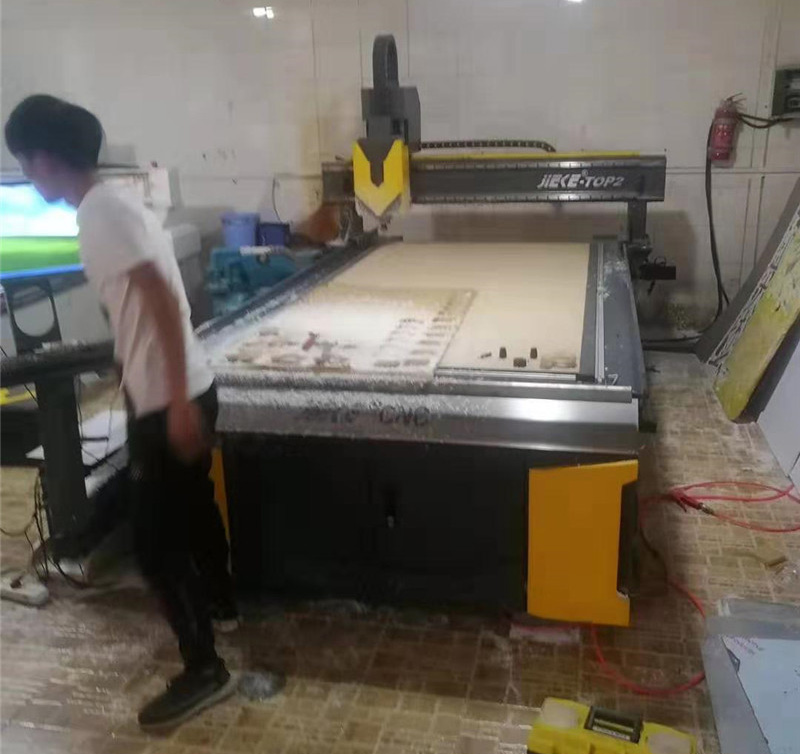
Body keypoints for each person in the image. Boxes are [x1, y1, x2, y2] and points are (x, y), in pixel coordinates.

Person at [4, 95, 239, 729]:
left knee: (155, 545)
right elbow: (143, 301)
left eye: (24, 161)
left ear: (45, 159)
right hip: (173, 387)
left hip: (169, 397)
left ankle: (205, 670)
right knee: (192, 505)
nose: (26, 173)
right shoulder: (115, 204)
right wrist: (129, 362)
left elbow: (161, 299)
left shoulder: (101, 212)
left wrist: (176, 403)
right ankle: (222, 602)